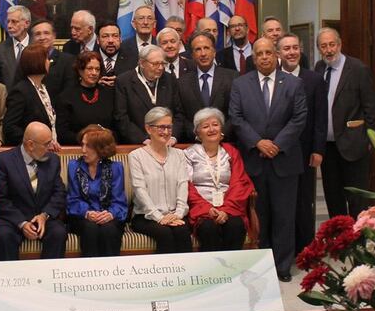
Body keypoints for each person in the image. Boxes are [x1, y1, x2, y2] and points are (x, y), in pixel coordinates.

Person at [229, 37, 306, 282]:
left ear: (277, 56)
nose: (263, 57)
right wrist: (258, 142)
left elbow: (299, 118)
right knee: (258, 217)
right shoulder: (241, 84)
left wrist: (277, 145)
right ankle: (261, 265)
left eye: (268, 53)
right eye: (259, 53)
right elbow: (236, 117)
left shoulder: (294, 84)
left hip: (285, 161)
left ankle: (283, 266)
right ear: (253, 58)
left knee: (284, 216)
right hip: (254, 160)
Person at [314, 27, 375, 219]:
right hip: (328, 149)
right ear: (319, 49)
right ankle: (339, 242)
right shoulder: (319, 68)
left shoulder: (358, 69)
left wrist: (368, 141)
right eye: (324, 46)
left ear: (340, 44)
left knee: (357, 202)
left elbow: (372, 111)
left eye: (332, 44)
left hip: (354, 147)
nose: (329, 50)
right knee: (333, 200)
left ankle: (358, 245)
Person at [278, 33, 327, 253]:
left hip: (306, 151)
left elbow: (320, 117)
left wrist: (318, 149)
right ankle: (286, 247)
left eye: (295, 48)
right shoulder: (273, 78)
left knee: (305, 202)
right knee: (284, 203)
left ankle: (306, 249)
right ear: (279, 53)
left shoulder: (314, 79)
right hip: (280, 151)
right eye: (286, 48)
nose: (291, 52)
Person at [0, 122, 67, 261]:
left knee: (58, 233)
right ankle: (12, 280)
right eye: (46, 144)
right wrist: (22, 223)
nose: (50, 147)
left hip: (43, 217)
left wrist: (45, 215)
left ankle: (49, 279)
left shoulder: (52, 160)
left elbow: (59, 193)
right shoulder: (4, 160)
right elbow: (0, 199)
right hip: (13, 219)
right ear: (31, 145)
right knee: (4, 235)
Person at [185, 108, 253, 252]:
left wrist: (226, 210)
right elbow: (186, 186)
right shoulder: (188, 154)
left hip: (229, 207)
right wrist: (207, 209)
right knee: (208, 228)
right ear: (198, 133)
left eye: (215, 124)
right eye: (205, 126)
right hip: (202, 209)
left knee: (235, 226)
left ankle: (232, 272)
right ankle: (211, 274)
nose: (211, 129)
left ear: (221, 128)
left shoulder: (231, 152)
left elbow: (239, 183)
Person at [128, 107, 192, 254]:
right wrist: (159, 217)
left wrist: (179, 213)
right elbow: (140, 190)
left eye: (169, 127)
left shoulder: (179, 155)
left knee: (182, 232)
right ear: (148, 128)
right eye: (161, 127)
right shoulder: (136, 156)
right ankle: (165, 277)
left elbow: (183, 185)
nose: (166, 132)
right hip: (146, 216)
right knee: (165, 234)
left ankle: (187, 276)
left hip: (175, 213)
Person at [66, 125, 128, 257]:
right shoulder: (74, 166)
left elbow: (119, 201)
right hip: (82, 217)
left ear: (101, 148)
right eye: (82, 145)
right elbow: (72, 199)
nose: (83, 150)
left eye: (88, 146)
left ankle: (111, 273)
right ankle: (90, 274)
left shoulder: (116, 168)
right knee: (90, 228)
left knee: (109, 229)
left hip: (109, 216)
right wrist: (87, 213)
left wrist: (110, 214)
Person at [114, 44, 185, 144]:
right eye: (155, 64)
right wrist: (143, 139)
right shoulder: (124, 81)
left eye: (163, 64)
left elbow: (179, 113)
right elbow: (121, 117)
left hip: (168, 142)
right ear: (142, 63)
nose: (160, 68)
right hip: (138, 144)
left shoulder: (169, 79)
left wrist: (173, 137)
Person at [176, 31, 238, 142]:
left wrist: (221, 134)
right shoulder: (182, 82)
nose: (203, 53)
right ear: (192, 55)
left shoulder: (232, 77)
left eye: (206, 48)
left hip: (225, 143)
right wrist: (197, 135)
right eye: (198, 49)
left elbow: (236, 112)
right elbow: (181, 116)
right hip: (194, 144)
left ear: (214, 52)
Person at [2, 43, 60, 148]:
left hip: (48, 152)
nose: (49, 62)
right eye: (46, 58)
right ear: (37, 62)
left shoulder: (45, 88)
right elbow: (10, 128)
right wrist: (37, 142)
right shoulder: (21, 91)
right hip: (30, 152)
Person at [56, 51, 116, 145]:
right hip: (77, 148)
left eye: (97, 69)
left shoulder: (109, 94)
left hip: (104, 146)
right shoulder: (66, 96)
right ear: (80, 70)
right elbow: (62, 132)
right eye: (90, 68)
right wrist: (87, 141)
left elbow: (116, 126)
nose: (94, 73)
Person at [28, 19, 75, 103]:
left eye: (46, 33)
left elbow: (70, 91)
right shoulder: (26, 60)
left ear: (54, 36)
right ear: (32, 39)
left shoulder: (68, 61)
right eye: (37, 34)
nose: (42, 37)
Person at [0, 5, 31, 91]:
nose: (9, 26)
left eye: (14, 22)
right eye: (8, 22)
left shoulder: (37, 47)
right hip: (8, 100)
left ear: (27, 23)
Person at [96, 19, 136, 87]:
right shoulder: (89, 59)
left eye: (115, 36)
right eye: (105, 36)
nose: (110, 41)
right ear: (97, 40)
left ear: (120, 39)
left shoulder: (133, 59)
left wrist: (121, 82)